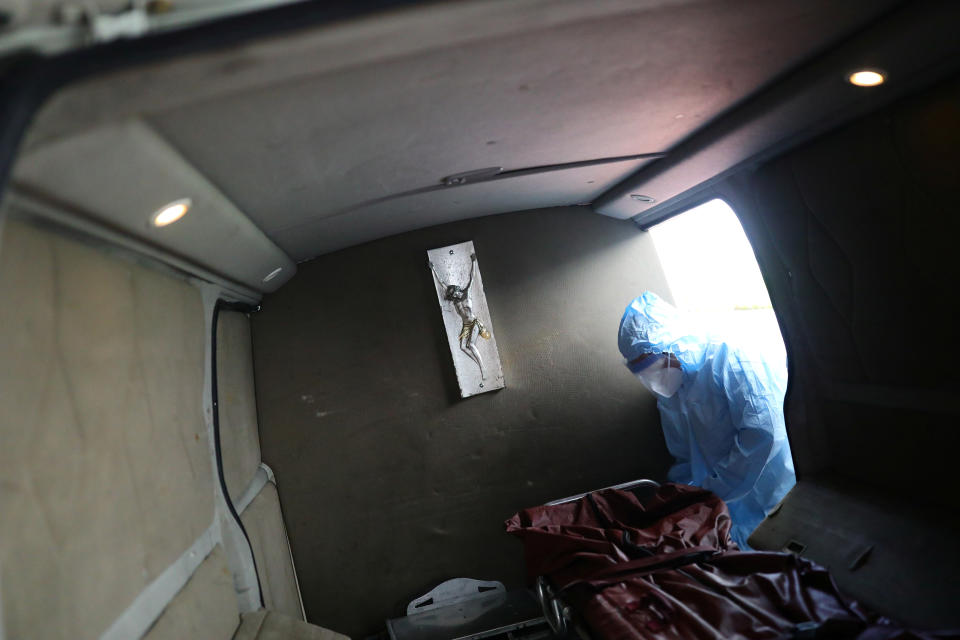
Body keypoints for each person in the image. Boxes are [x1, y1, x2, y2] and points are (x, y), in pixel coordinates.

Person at [618, 291, 796, 548]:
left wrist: (709, 493)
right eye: (641, 371)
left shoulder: (731, 355)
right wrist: (681, 497)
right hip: (725, 511)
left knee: (784, 556)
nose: (652, 377)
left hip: (773, 492)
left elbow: (764, 435)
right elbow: (684, 456)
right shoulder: (672, 390)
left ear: (672, 343)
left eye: (653, 364)